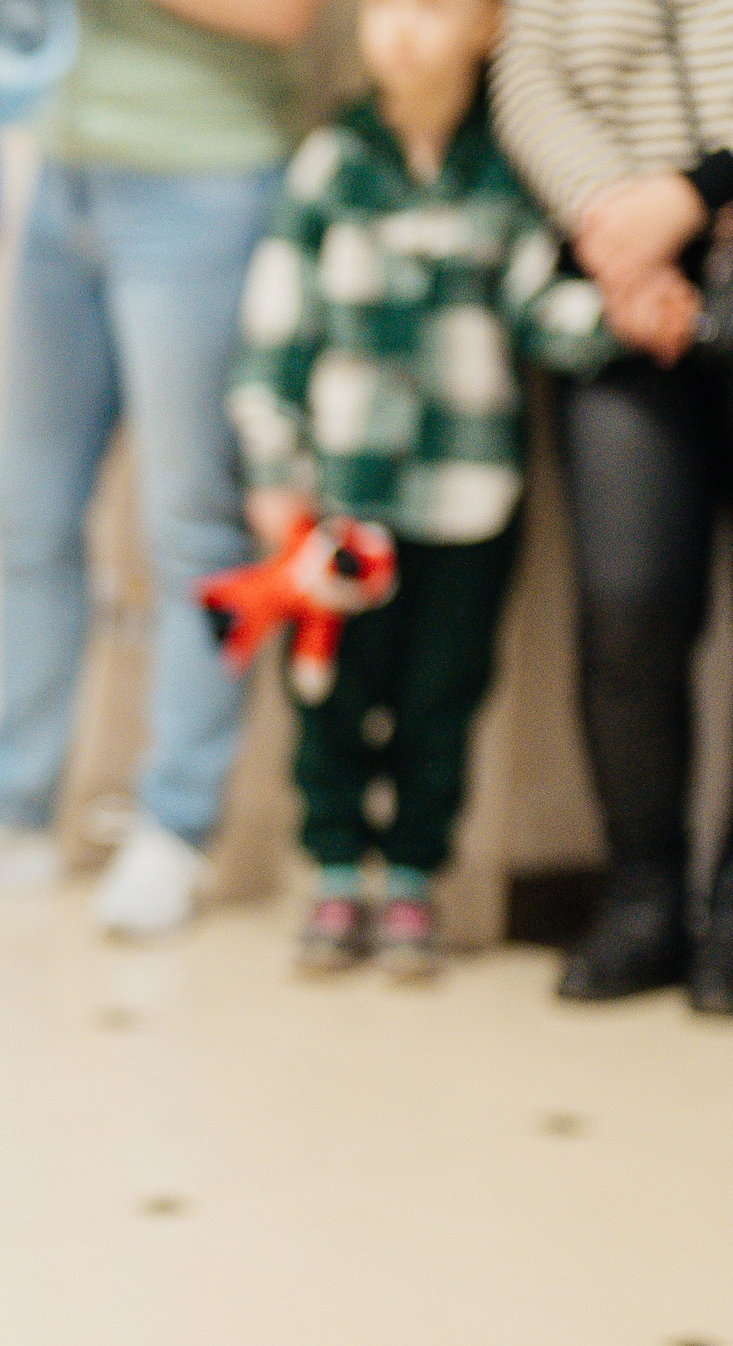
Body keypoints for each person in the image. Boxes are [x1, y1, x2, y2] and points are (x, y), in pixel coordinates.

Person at [0, 0, 322, 936]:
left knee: (192, 519)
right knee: (27, 509)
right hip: (66, 168)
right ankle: (13, 808)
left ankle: (177, 827)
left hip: (205, 179)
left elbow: (287, 15)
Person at [228, 0, 615, 977]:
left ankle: (411, 874)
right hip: (341, 501)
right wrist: (273, 467)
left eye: (433, 7)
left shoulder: (503, 174)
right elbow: (276, 328)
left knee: (443, 691)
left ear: (487, 29)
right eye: (382, 5)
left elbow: (535, 307)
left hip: (465, 497)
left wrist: (622, 308)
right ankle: (332, 869)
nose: (400, 28)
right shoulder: (333, 164)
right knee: (329, 691)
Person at [494, 0, 733, 1010]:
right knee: (627, 604)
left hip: (701, 233)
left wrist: (695, 193)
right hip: (614, 291)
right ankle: (641, 896)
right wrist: (619, 230)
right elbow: (526, 84)